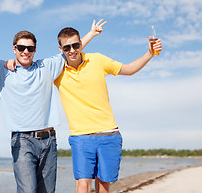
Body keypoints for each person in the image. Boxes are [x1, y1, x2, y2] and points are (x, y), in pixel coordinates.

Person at [0, 12, 106, 193]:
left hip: (49, 140)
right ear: (14, 49)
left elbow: (72, 50)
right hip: (21, 141)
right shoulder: (1, 68)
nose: (25, 52)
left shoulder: (46, 67)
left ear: (35, 50)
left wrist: (91, 34)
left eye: (30, 49)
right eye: (21, 48)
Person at [54, 25, 163, 193]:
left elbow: (129, 69)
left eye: (76, 45)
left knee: (103, 186)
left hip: (109, 134)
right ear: (61, 49)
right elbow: (31, 68)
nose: (72, 50)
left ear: (80, 44)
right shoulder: (57, 70)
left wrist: (149, 53)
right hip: (81, 137)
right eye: (67, 47)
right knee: (82, 184)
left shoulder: (97, 60)